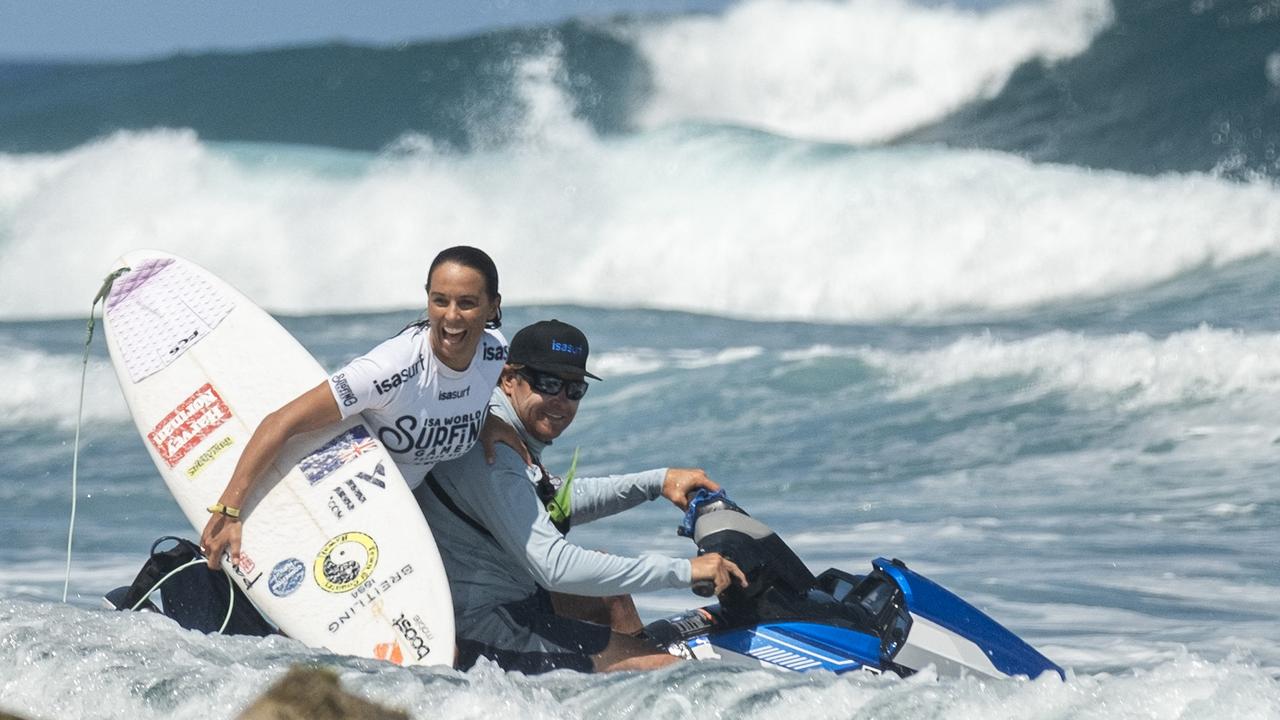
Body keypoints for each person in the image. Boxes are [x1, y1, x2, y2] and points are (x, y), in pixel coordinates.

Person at [419, 319, 747, 673]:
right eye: (548, 383)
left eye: (574, 389)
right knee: (668, 670)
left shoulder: (500, 426)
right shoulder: (494, 454)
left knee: (608, 596)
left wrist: (656, 482)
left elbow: (550, 499)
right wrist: (684, 570)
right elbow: (554, 567)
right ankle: (637, 672)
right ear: (508, 379)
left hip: (514, 596)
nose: (561, 401)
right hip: (480, 627)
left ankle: (623, 682)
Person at [201, 245, 519, 569]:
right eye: (440, 300)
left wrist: (485, 420)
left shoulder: (493, 351)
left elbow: (463, 389)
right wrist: (229, 509)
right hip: (335, 506)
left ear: (493, 307)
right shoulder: (390, 370)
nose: (451, 316)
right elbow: (282, 422)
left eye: (467, 303)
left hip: (401, 516)